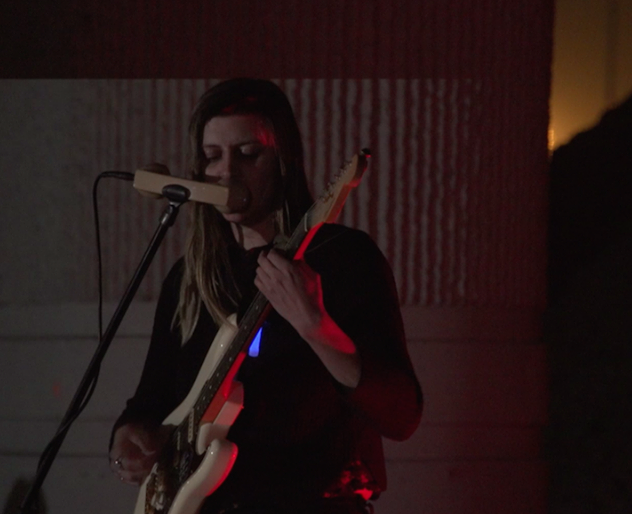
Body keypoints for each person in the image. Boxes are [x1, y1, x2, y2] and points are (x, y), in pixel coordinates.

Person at [109, 78, 422, 514]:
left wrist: (316, 326)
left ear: (282, 161)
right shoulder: (188, 279)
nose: (226, 172)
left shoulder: (342, 258)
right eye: (212, 156)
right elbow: (150, 401)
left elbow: (401, 414)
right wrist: (130, 437)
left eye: (247, 154)